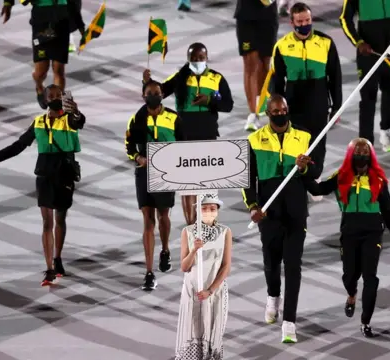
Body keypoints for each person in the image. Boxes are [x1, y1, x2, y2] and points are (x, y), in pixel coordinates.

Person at [0, 84, 85, 286]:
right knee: (47, 223)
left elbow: (79, 122)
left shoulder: (69, 118)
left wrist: (77, 111)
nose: (55, 98)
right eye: (51, 96)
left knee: (60, 219)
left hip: (65, 175)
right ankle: (49, 268)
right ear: (45, 100)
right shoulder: (38, 123)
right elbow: (19, 145)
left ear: (63, 98)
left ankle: (58, 258)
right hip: (44, 176)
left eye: (58, 95)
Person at [300, 138, 390, 337]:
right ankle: (351, 294)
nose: (361, 155)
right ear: (351, 154)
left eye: (365, 152)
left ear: (370, 156)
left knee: (370, 277)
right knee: (350, 276)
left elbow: (387, 210)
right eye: (358, 152)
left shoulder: (379, 180)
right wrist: (304, 171)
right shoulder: (341, 176)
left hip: (372, 233)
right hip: (349, 233)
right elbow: (317, 189)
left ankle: (365, 321)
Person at [242, 94, 321, 343]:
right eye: (275, 111)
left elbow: (314, 173)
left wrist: (305, 167)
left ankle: (289, 322)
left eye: (284, 109)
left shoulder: (304, 137)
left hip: (296, 211)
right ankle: (273, 296)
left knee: (294, 266)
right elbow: (248, 178)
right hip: (269, 212)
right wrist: (253, 206)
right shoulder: (254, 140)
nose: (280, 113)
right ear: (268, 114)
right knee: (271, 262)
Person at [143, 42, 234, 226]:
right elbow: (159, 93)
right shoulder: (180, 77)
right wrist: (147, 83)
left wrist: (208, 100)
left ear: (207, 58)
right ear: (188, 60)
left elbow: (228, 104)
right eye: (193, 59)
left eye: (201, 58)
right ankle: (191, 226)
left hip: (208, 136)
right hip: (184, 137)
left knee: (208, 183)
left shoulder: (217, 78)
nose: (197, 61)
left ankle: (209, 225)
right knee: (188, 185)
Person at [272, 2, 342, 199]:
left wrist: (337, 106)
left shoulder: (326, 42)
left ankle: (314, 180)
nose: (305, 24)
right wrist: (276, 110)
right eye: (300, 21)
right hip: (293, 105)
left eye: (308, 20)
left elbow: (335, 77)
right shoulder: (282, 46)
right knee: (297, 145)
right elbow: (277, 83)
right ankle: (302, 182)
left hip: (319, 103)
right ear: (291, 22)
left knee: (318, 144)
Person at [125, 80, 185, 291]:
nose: (154, 96)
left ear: (162, 95)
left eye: (157, 93)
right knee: (148, 220)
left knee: (163, 216)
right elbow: (129, 145)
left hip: (165, 173)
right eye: (150, 93)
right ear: (144, 96)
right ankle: (149, 272)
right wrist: (138, 157)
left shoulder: (174, 117)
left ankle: (166, 249)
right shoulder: (136, 119)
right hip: (144, 172)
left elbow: (183, 143)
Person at [339, 0, 390, 152]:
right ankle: (365, 142)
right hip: (368, 53)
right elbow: (344, 18)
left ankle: (385, 131)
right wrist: (358, 42)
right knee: (368, 96)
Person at [176, 193, 232, 360]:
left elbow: (226, 265)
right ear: (198, 211)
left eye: (212, 208)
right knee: (195, 329)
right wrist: (194, 250)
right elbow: (184, 267)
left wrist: (211, 290)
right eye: (205, 208)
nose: (208, 211)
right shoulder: (188, 232)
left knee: (214, 331)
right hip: (193, 289)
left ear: (218, 211)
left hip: (215, 290)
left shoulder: (225, 232)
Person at [7, 0, 84, 109]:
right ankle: (39, 88)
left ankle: (56, 106)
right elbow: (24, 1)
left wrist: (80, 25)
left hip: (62, 23)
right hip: (41, 23)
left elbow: (72, 3)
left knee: (59, 70)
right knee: (40, 72)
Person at [234, 0, 278, 132]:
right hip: (247, 15)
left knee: (266, 63)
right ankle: (253, 114)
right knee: (251, 63)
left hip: (269, 14)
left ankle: (262, 102)